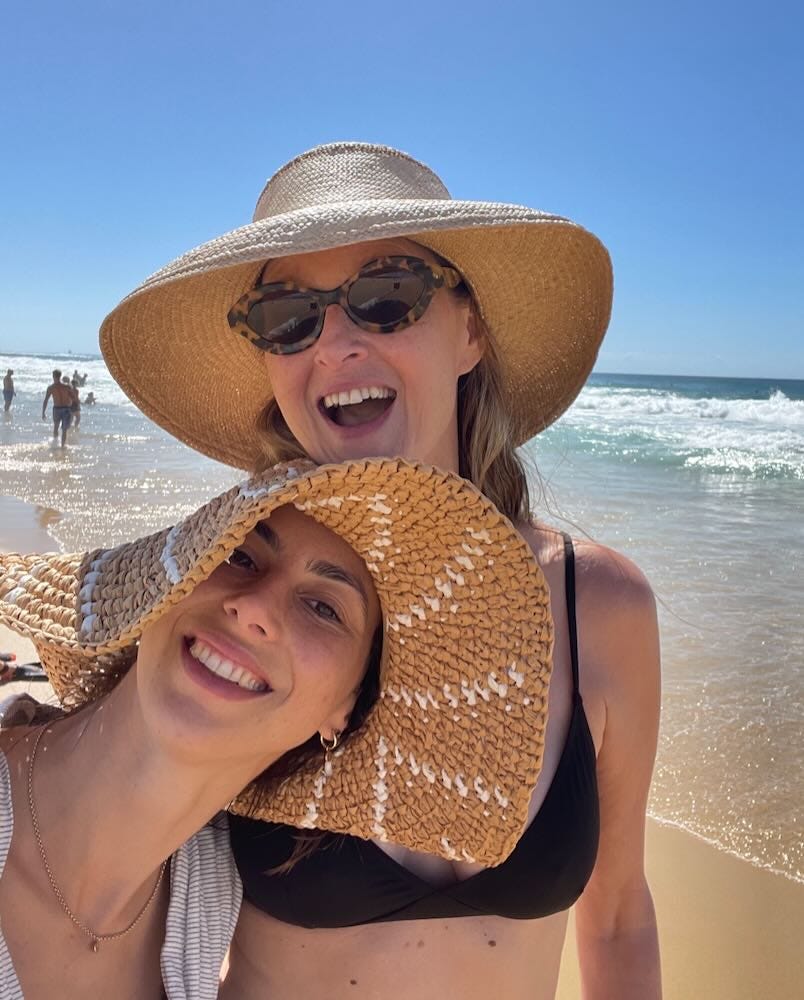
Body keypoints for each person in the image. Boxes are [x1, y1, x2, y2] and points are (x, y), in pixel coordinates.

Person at [100, 142, 662, 999]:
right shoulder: (223, 595)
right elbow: (90, 886)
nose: (335, 344)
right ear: (268, 359)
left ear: (470, 332)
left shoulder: (602, 606)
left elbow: (618, 917)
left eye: (386, 296)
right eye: (287, 315)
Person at [0, 456, 551, 998]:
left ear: (345, 709)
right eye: (240, 555)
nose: (254, 608)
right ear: (166, 586)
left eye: (323, 608)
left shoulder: (206, 898)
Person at [41, 369, 74, 447]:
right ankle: (62, 446)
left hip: (57, 409)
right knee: (64, 429)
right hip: (66, 408)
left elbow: (46, 400)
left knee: (56, 427)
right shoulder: (66, 386)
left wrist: (43, 412)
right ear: (60, 376)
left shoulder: (51, 388)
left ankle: (55, 444)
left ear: (53, 376)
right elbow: (73, 397)